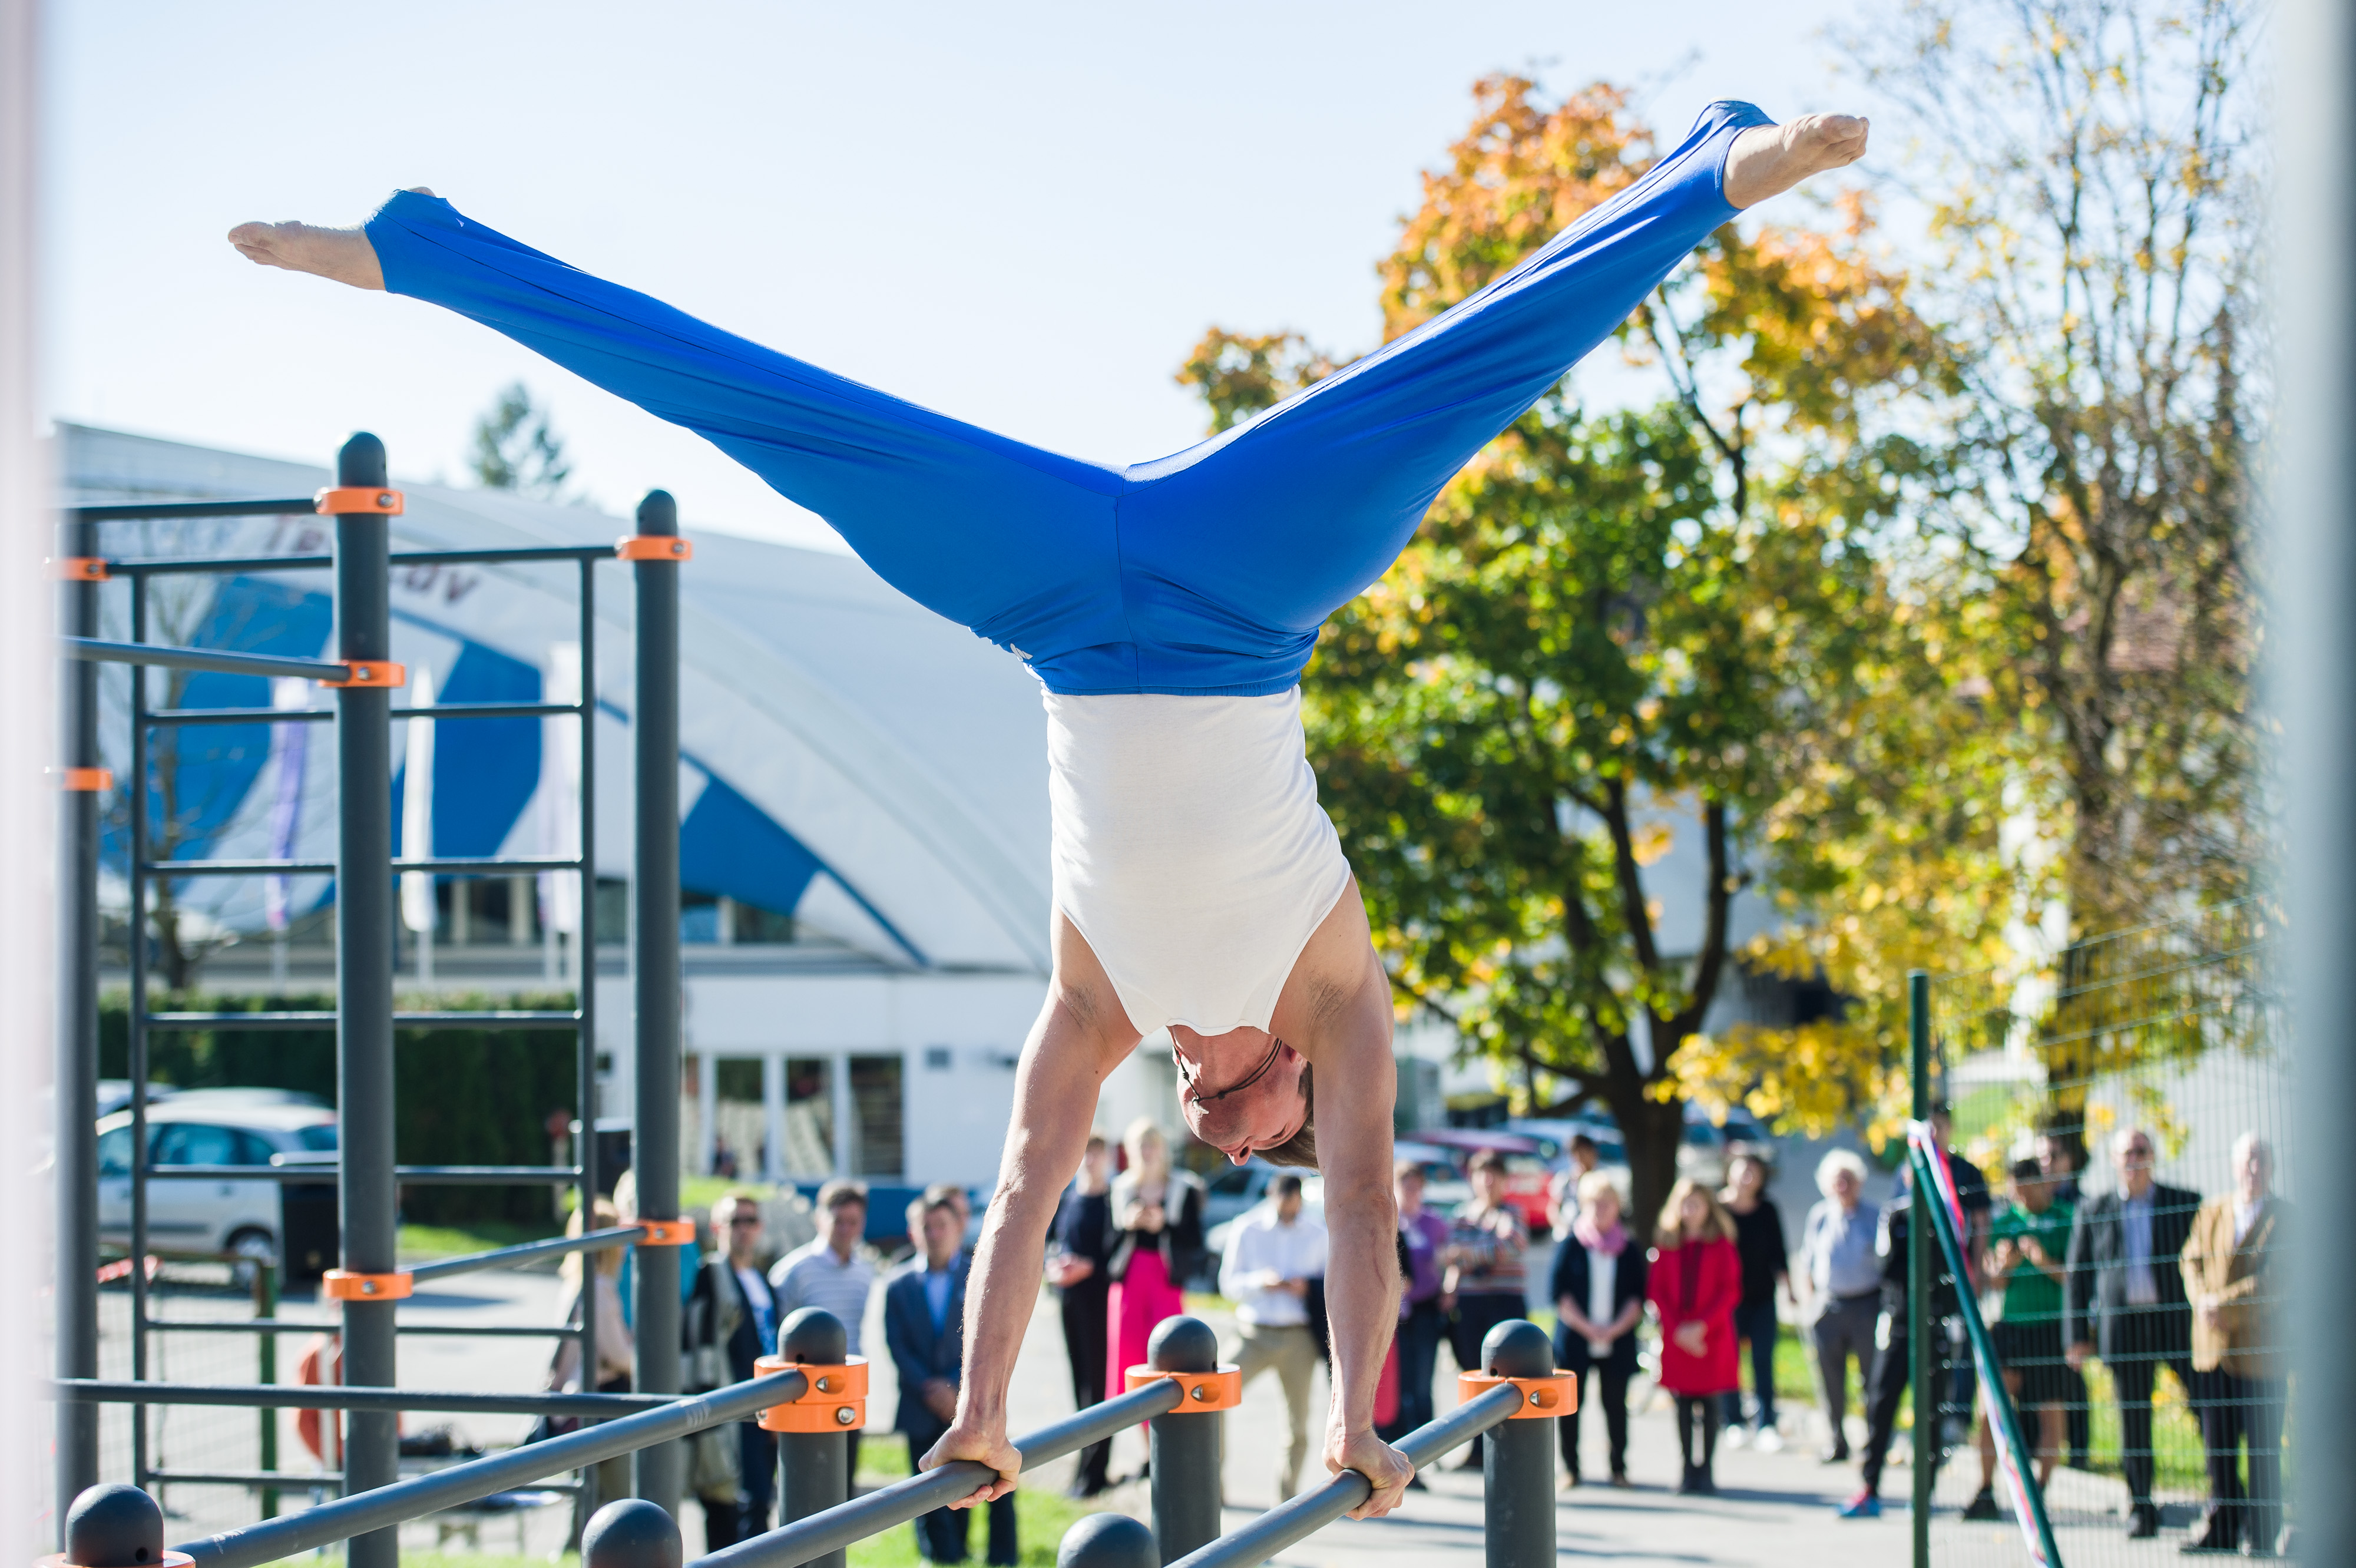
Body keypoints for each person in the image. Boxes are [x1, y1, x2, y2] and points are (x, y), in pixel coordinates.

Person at [229, 108, 1867, 1516]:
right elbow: (1369, 1202)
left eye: (1231, 1137)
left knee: (779, 419)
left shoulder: (1096, 1008)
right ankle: (1713, 173)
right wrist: (1364, 1413)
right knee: (1453, 381)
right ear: (1289, 1077)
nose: (1237, 1136)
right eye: (1259, 1129)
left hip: (1057, 608)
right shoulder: (1337, 993)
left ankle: (431, 253)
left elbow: (1021, 1196)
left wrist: (979, 1404)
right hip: (1247, 585)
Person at [1841, 1107, 1988, 1520]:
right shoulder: (1900, 1214)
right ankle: (1869, 1486)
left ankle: (1924, 1493)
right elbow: (1885, 1267)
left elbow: (1975, 1233)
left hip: (1939, 1319)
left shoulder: (1957, 1197)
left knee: (1932, 1407)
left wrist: (1973, 1280)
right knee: (1881, 1400)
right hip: (1900, 1320)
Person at [2065, 1126, 2205, 1541]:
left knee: (2209, 1406)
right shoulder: (2095, 1209)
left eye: (2142, 1150)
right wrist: (2076, 1335)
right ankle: (2141, 1508)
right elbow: (2078, 1277)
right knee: (2134, 1421)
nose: (2135, 1159)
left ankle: (2229, 1498)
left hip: (2175, 1325)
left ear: (2153, 1156)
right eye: (2127, 1152)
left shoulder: (2184, 1204)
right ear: (2114, 1160)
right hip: (2123, 1329)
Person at [888, 1194, 1017, 1564]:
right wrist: (930, 1388)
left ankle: (989, 1554)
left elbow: (990, 1338)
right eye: (925, 1227)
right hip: (919, 1403)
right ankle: (939, 1556)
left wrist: (955, 1389)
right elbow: (896, 1345)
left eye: (941, 1225)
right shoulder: (899, 1287)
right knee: (926, 1489)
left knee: (977, 1482)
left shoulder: (980, 1278)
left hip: (969, 1400)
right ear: (913, 1233)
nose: (934, 1234)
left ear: (958, 1229)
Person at [2178, 1132, 2289, 1556]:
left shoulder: (2285, 1218)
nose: (2254, 1169)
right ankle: (2221, 1525)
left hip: (2262, 1353)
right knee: (2217, 1446)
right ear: (2233, 1165)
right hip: (2213, 1351)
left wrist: (2222, 1306)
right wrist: (2203, 1301)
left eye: (2262, 1160)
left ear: (2273, 1167)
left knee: (2262, 1446)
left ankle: (2263, 1533)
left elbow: (2275, 1281)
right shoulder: (2212, 1210)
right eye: (2247, 1161)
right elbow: (2191, 1260)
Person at [1962, 1160, 2073, 1522]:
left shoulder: (2065, 1218)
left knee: (2050, 1412)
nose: (2021, 1198)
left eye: (2027, 1189)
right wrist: (2004, 1268)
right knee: (1991, 1408)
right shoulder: (2006, 1223)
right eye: (2015, 1191)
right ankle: (1985, 1488)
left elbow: (2075, 1279)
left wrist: (2042, 1260)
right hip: (2011, 1327)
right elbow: (1995, 1282)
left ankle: (2041, 1489)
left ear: (2043, 1185)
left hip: (2050, 1329)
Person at [1220, 1172, 1330, 1500]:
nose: (1289, 1208)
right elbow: (1228, 1285)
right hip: (1254, 1332)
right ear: (1271, 1196)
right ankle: (1214, 1480)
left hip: (1297, 1337)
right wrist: (1260, 1282)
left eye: (1294, 1203)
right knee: (1212, 1398)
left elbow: (1331, 1283)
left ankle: (1286, 1497)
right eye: (1283, 1202)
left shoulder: (1317, 1232)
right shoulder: (1247, 1228)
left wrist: (1306, 1287)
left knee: (1298, 1423)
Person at [685, 1192, 780, 1548]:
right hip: (730, 1410)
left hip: (767, 1410)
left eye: (750, 1221)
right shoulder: (709, 1276)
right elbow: (700, 1350)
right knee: (727, 1506)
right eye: (734, 1221)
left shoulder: (762, 1280)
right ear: (717, 1229)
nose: (743, 1230)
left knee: (758, 1506)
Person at [1107, 1117, 1206, 1458]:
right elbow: (1108, 1246)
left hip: (1165, 1281)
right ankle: (1150, 1452)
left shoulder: (1183, 1187)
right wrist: (1130, 1225)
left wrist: (1166, 1224)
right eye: (1140, 1146)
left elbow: (1196, 1242)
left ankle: (1171, 1444)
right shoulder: (1120, 1189)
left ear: (1163, 1150)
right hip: (1130, 1283)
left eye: (1152, 1145)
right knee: (1131, 1360)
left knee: (1170, 1358)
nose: (1147, 1153)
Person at [770, 1179, 876, 1477]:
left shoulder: (865, 1273)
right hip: (804, 1398)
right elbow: (774, 1340)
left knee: (844, 1488)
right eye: (838, 1221)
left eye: (853, 1222)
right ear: (820, 1219)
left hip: (848, 1392)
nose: (845, 1229)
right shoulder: (790, 1273)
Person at [1550, 1170, 1646, 1490]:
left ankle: (1619, 1468)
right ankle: (1571, 1469)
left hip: (1616, 1341)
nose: (1601, 1209)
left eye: (1608, 1203)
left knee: (1616, 1406)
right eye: (1594, 1203)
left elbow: (1637, 1296)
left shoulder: (1628, 1248)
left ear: (1618, 1206)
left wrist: (1615, 1329)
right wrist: (1589, 1328)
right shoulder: (1572, 1244)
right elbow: (1558, 1295)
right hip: (1576, 1340)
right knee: (1570, 1408)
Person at [1649, 1177, 1740, 1494]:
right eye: (1686, 1204)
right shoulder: (1668, 1244)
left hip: (1710, 1337)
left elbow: (1730, 1291)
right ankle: (1688, 1469)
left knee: (1711, 1405)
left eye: (1697, 1204)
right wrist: (1678, 1330)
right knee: (1684, 1405)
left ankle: (1707, 1471)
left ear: (1708, 1208)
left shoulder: (1721, 1245)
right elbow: (1657, 1291)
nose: (1691, 1210)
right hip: (1678, 1338)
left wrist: (1701, 1327)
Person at [1445, 1149, 1530, 1470]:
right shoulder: (1462, 1216)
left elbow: (1513, 1245)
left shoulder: (1513, 1213)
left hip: (1505, 1301)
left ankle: (1514, 1448)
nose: (1488, 1182)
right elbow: (1449, 1255)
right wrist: (1472, 1257)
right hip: (1471, 1304)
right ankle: (1478, 1449)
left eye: (1495, 1174)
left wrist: (1468, 1254)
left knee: (1511, 1377)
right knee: (1476, 1376)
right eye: (1482, 1174)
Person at [1048, 1134, 1118, 1498]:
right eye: (1085, 1152)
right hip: (1070, 1299)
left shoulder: (1113, 1202)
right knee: (1079, 1385)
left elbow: (1117, 1257)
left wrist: (1088, 1267)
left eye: (1096, 1153)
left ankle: (1097, 1470)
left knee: (1099, 1384)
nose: (1090, 1160)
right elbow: (1056, 1246)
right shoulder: (1070, 1200)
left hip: (1101, 1303)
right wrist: (1055, 1269)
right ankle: (1083, 1465)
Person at [1802, 1149, 1879, 1465]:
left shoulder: (1873, 1216)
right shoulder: (1820, 1216)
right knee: (1829, 1378)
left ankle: (1874, 1440)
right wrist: (1810, 1303)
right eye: (1838, 1180)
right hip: (1829, 1304)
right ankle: (1837, 1438)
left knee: (1871, 1376)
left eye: (1848, 1179)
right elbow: (1808, 1262)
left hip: (1865, 1303)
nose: (1843, 1186)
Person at [1718, 1150, 1794, 1451]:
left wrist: (1789, 1287)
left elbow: (1779, 1251)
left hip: (1762, 1297)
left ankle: (1767, 1423)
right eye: (1742, 1170)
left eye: (1754, 1171)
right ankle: (1733, 1420)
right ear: (1730, 1172)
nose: (1748, 1177)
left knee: (1763, 1360)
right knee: (1730, 1360)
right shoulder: (1718, 1209)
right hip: (1727, 1300)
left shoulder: (1767, 1210)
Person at [2035, 1120, 2092, 1467]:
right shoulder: (2032, 1199)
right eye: (2042, 1156)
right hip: (2040, 1310)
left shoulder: (2081, 1204)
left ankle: (2080, 1452)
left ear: (2068, 1161)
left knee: (2073, 1380)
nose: (2047, 1163)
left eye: (2054, 1156)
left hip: (2070, 1307)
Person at [1387, 1159, 1451, 1447]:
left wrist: (1450, 1287)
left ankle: (1428, 1446)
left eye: (1416, 1187)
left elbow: (1448, 1261)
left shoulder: (1434, 1223)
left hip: (1426, 1308)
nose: (1411, 1192)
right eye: (1406, 1185)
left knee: (1423, 1382)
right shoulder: (1389, 1220)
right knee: (1400, 1382)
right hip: (1394, 1315)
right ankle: (1402, 1444)